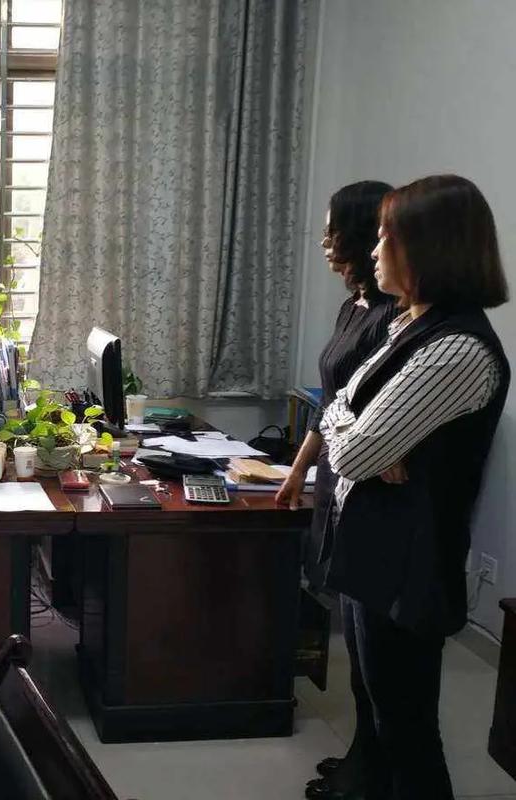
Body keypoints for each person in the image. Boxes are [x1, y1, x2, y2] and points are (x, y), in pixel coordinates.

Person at [317, 174, 509, 800]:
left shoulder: (456, 349)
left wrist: (360, 440)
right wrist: (359, 435)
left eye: (386, 238)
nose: (373, 251)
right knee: (379, 709)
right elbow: (339, 407)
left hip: (408, 562)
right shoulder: (407, 325)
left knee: (407, 732)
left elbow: (353, 450)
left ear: (429, 249)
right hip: (374, 547)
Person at [274, 181, 397, 800]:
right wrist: (297, 470)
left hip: (364, 485)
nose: (324, 241)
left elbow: (366, 415)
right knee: (353, 633)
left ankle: (372, 768)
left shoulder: (393, 317)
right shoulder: (353, 307)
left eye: (333, 229)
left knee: (378, 662)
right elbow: (331, 403)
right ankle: (361, 759)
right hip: (334, 476)